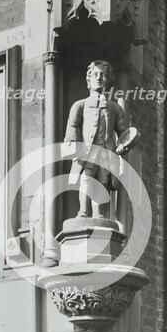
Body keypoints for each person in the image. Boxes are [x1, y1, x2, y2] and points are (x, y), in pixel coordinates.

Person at [64, 60, 130, 218]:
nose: (99, 78)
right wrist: (74, 146)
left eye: (103, 75)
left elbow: (123, 132)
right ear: (89, 79)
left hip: (106, 152)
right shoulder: (80, 105)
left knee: (102, 182)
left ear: (109, 80)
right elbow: (72, 126)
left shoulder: (115, 108)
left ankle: (98, 214)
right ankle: (83, 212)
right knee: (86, 179)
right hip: (88, 152)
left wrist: (123, 144)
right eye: (95, 74)